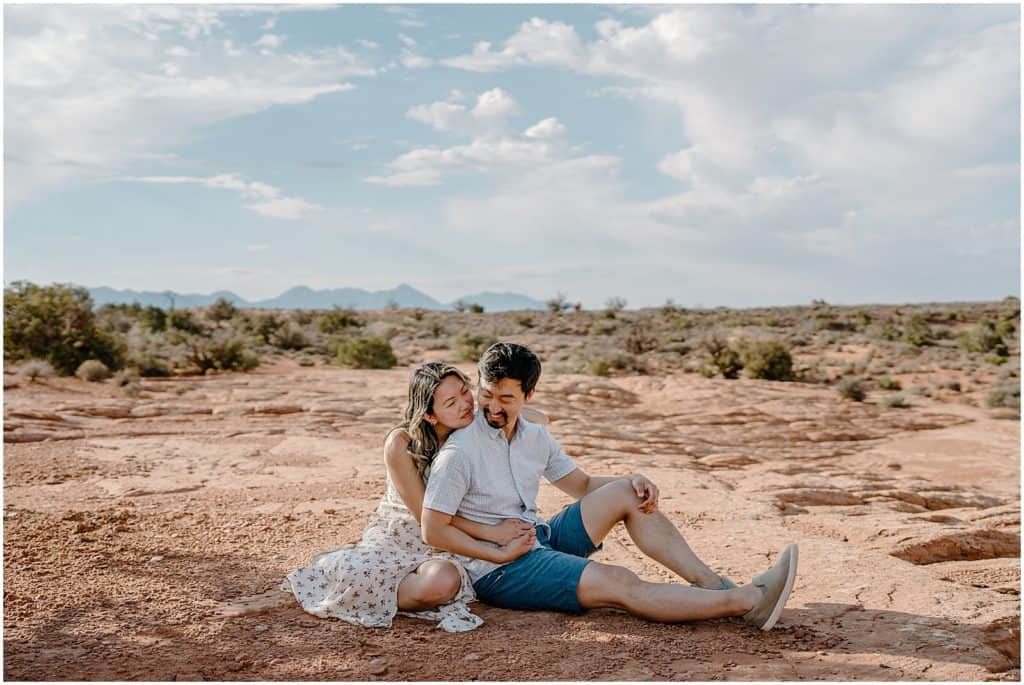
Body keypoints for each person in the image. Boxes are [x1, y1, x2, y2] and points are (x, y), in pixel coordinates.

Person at [422, 342, 798, 630]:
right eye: (487, 394)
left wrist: (632, 479)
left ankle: (712, 584)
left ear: (528, 396)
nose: (492, 407)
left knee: (626, 493)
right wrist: (497, 551)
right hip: (500, 569)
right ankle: (747, 601)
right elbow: (434, 529)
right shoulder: (460, 450)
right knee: (619, 582)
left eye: (507, 399)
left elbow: (582, 484)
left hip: (539, 537)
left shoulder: (534, 436)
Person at [284, 362, 542, 632]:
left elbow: (533, 417)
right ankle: (370, 592)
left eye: (466, 391)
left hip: (453, 537)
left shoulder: (473, 423)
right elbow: (425, 517)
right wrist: (491, 534)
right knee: (440, 582)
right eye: (451, 402)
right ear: (430, 416)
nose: (465, 404)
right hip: (405, 537)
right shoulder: (401, 443)